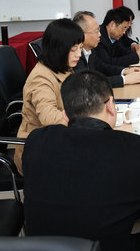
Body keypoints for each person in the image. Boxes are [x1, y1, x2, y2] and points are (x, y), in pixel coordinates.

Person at [23, 70, 140, 251]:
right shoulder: (134, 149)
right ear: (110, 105)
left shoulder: (36, 141)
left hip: (42, 248)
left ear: (65, 115)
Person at [14, 18, 84, 174]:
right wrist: (82, 117)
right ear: (58, 49)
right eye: (73, 49)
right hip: (38, 150)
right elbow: (50, 118)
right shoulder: (41, 77)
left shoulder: (63, 67)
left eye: (80, 48)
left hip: (59, 139)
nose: (79, 54)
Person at [72, 11, 140, 87]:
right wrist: (124, 79)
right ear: (82, 34)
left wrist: (125, 71)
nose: (99, 34)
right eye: (96, 31)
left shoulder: (90, 50)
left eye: (99, 30)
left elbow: (103, 68)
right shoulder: (75, 56)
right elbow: (89, 83)